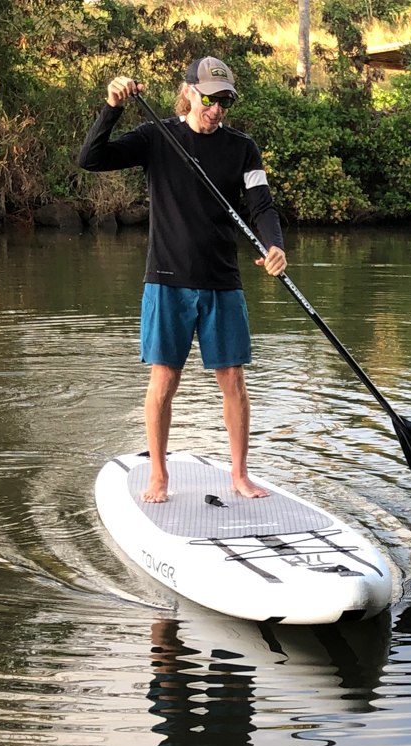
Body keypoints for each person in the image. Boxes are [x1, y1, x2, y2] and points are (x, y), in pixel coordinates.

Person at [78, 57, 286, 503]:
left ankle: (240, 475)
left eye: (224, 101)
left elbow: (262, 207)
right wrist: (111, 107)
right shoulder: (157, 137)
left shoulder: (242, 148)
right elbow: (90, 159)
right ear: (189, 91)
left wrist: (274, 245)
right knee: (164, 379)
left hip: (222, 280)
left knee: (233, 378)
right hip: (167, 279)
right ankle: (158, 476)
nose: (216, 109)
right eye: (209, 99)